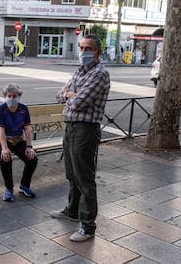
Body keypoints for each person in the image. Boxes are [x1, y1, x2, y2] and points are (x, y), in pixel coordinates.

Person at [53, 34, 110, 242]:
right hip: (71, 128)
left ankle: (87, 226)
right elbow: (59, 95)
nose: (83, 52)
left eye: (88, 48)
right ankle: (72, 210)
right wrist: (69, 94)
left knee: (85, 178)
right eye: (81, 47)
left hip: (86, 130)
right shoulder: (79, 71)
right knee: (71, 174)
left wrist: (70, 94)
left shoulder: (100, 74)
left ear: (97, 52)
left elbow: (79, 102)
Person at [0, 83, 38, 202]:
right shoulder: (1, 109)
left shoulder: (24, 109)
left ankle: (25, 186)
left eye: (14, 96)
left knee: (32, 158)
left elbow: (27, 129)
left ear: (19, 96)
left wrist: (29, 146)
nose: (12, 98)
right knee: (5, 158)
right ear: (5, 96)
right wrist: (5, 148)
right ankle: (9, 189)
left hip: (18, 139)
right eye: (9, 96)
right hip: (2, 140)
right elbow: (0, 130)